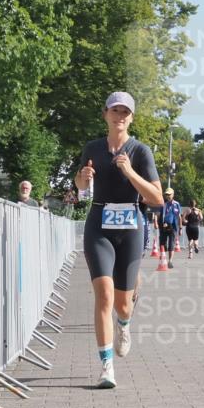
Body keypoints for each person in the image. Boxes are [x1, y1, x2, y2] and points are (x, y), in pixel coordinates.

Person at [75, 92, 162, 389]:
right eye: (115, 111)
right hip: (99, 225)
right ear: (105, 115)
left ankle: (125, 324)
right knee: (104, 296)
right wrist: (83, 178)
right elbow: (80, 187)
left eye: (125, 112)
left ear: (131, 118)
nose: (120, 116)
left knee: (123, 306)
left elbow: (157, 199)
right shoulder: (93, 148)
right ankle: (106, 366)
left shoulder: (141, 152)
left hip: (131, 228)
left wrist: (128, 171)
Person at [156, 187, 182, 268]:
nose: (168, 196)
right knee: (162, 243)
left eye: (169, 194)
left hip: (173, 226)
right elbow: (158, 215)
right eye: (167, 194)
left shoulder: (176, 204)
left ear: (173, 194)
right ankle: (163, 257)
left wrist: (180, 228)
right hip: (164, 226)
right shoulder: (163, 204)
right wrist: (157, 223)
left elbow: (179, 217)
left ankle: (170, 261)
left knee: (172, 243)